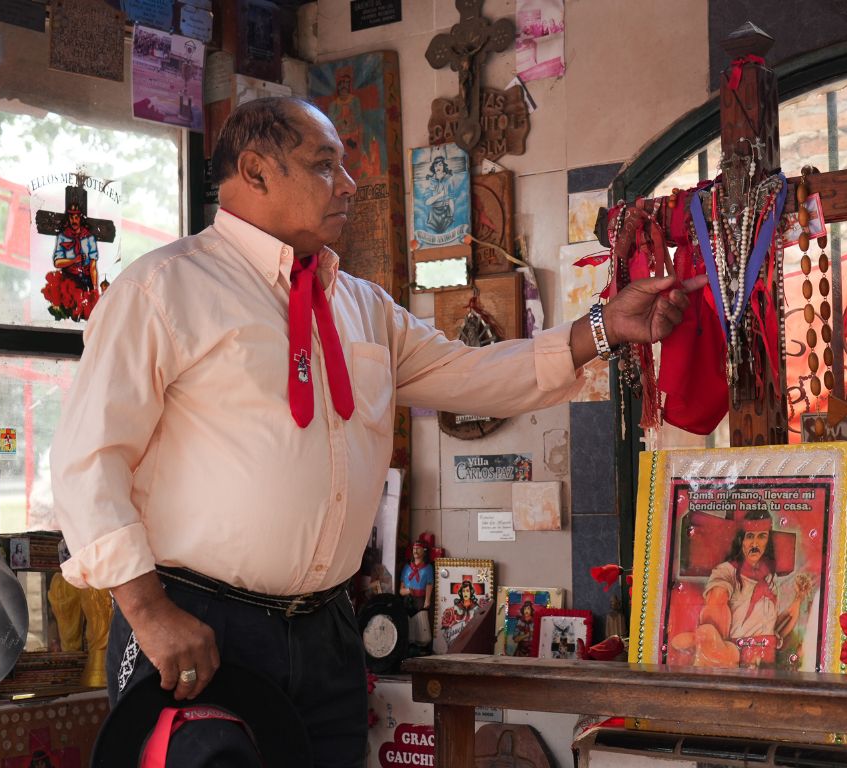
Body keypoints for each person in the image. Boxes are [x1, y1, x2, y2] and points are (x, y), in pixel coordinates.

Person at [51, 96, 701, 767]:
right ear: (256, 170)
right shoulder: (163, 289)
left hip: (328, 632)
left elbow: (469, 374)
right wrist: (149, 612)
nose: (349, 185)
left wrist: (601, 329)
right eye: (325, 165)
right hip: (201, 625)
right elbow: (86, 460)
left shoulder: (359, 304)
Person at [695, 508, 814, 668]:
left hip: (767, 667)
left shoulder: (770, 579)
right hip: (736, 666)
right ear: (741, 540)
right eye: (749, 536)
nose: (755, 544)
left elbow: (775, 630)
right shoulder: (728, 571)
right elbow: (717, 596)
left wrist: (799, 598)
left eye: (761, 536)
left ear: (768, 540)